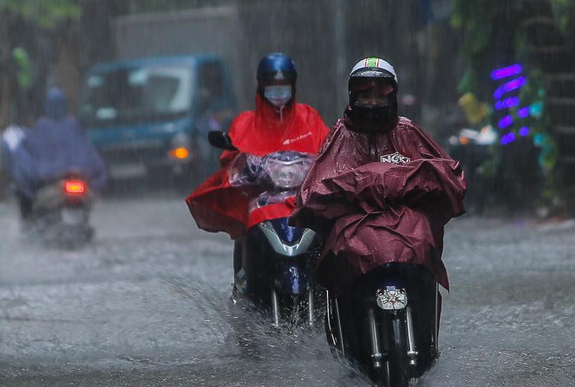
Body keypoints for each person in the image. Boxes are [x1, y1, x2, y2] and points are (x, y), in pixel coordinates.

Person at [294, 56, 465, 297]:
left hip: (408, 228)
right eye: (366, 95)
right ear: (354, 97)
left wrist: (387, 183)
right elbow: (316, 190)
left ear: (391, 96)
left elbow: (445, 175)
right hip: (354, 230)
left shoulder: (407, 131)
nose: (373, 103)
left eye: (380, 95)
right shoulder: (341, 136)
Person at [185, 53, 329, 282]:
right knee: (248, 231)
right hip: (263, 201)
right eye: (272, 85)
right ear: (262, 86)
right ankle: (247, 278)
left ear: (293, 85)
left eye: (283, 85)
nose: (278, 91)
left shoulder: (309, 117)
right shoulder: (245, 122)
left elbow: (326, 151)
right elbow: (232, 160)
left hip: (303, 200)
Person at [11, 88, 107, 220]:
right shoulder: (74, 126)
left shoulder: (42, 127)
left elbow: (27, 161)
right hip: (77, 182)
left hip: (54, 184)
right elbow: (93, 159)